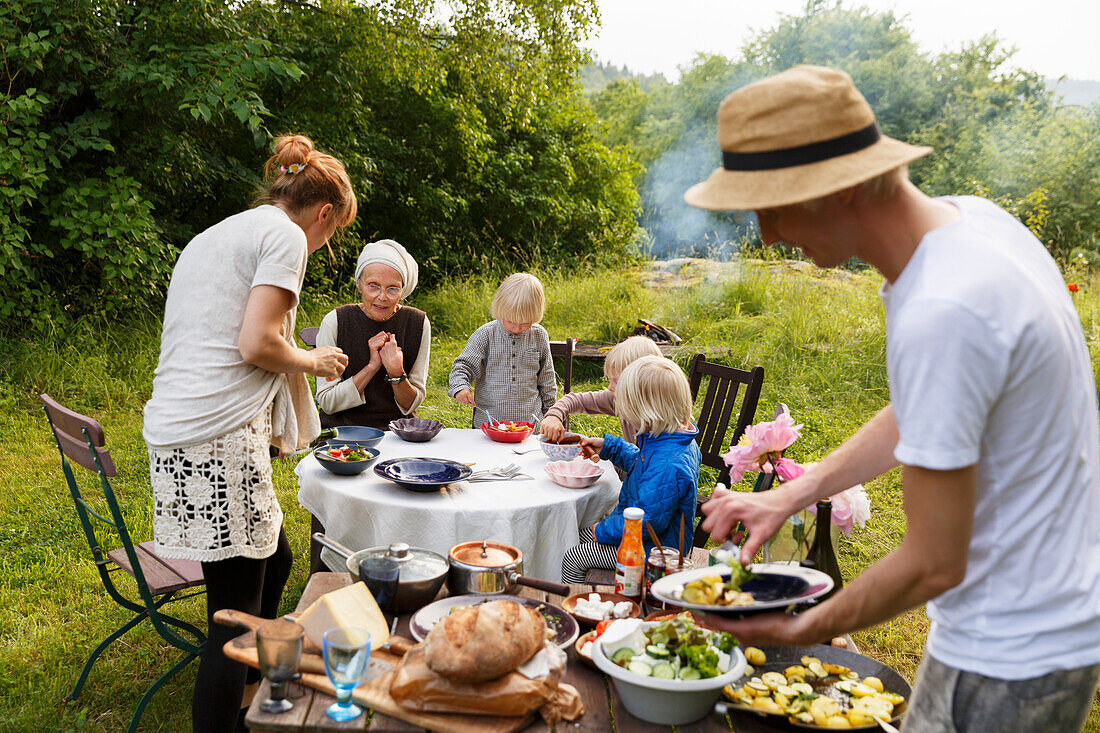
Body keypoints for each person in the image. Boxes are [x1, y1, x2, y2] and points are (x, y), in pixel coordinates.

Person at [687, 65, 1100, 732]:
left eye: (774, 204)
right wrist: (793, 491)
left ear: (842, 190)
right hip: (1033, 628)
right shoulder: (974, 224)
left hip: (1009, 655)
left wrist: (804, 626)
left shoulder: (944, 307)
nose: (764, 234)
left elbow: (934, 559)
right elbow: (931, 407)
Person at [143, 135, 355, 732]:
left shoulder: (224, 230)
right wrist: (315, 361)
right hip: (214, 431)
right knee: (231, 615)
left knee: (278, 558)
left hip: (182, 426)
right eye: (332, 232)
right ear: (323, 214)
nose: (325, 242)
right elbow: (257, 343)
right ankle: (229, 713)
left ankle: (253, 693)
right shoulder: (287, 236)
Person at [560, 356, 701, 584]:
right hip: (645, 539)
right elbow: (643, 466)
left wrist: (603, 530)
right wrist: (610, 447)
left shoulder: (669, 463)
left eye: (629, 410)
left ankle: (576, 605)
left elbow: (648, 522)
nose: (625, 416)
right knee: (573, 536)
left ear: (648, 412)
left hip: (655, 553)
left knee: (574, 556)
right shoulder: (670, 439)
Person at [315, 239, 429, 430]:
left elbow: (410, 405)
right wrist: (372, 366)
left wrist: (396, 372)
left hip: (398, 433)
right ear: (359, 285)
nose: (382, 297)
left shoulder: (418, 323)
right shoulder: (335, 321)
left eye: (392, 288)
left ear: (402, 290)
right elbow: (328, 402)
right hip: (341, 433)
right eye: (373, 286)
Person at [448, 272, 556, 426]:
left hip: (531, 426)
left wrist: (552, 415)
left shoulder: (539, 336)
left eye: (525, 323)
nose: (517, 328)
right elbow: (463, 366)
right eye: (511, 321)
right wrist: (460, 387)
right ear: (500, 311)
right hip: (488, 425)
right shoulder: (486, 334)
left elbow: (547, 380)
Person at [539, 335, 662, 445]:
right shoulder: (617, 399)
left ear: (642, 383)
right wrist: (554, 416)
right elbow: (575, 400)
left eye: (617, 381)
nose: (610, 387)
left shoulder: (664, 423)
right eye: (610, 380)